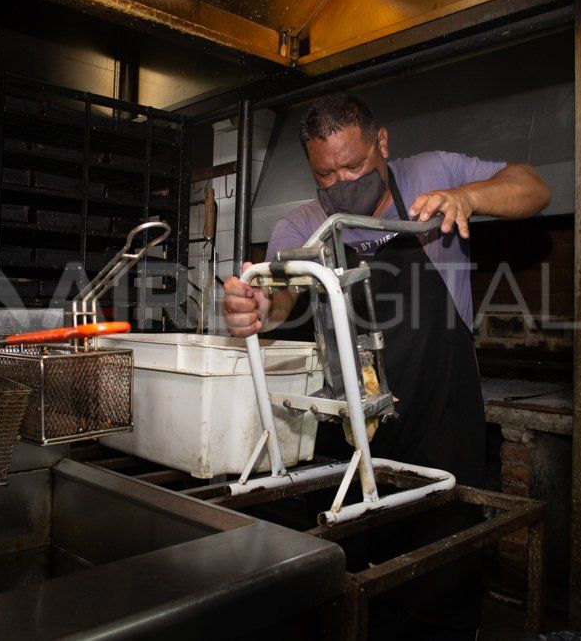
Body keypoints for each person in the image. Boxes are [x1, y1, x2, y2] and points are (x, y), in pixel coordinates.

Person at [222, 92, 550, 639]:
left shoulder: (433, 174)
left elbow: (534, 186)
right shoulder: (300, 226)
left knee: (439, 588)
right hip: (349, 437)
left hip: (441, 425)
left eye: (354, 166)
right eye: (325, 175)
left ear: (383, 143)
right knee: (351, 590)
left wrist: (467, 196)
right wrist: (256, 306)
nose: (341, 183)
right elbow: (281, 298)